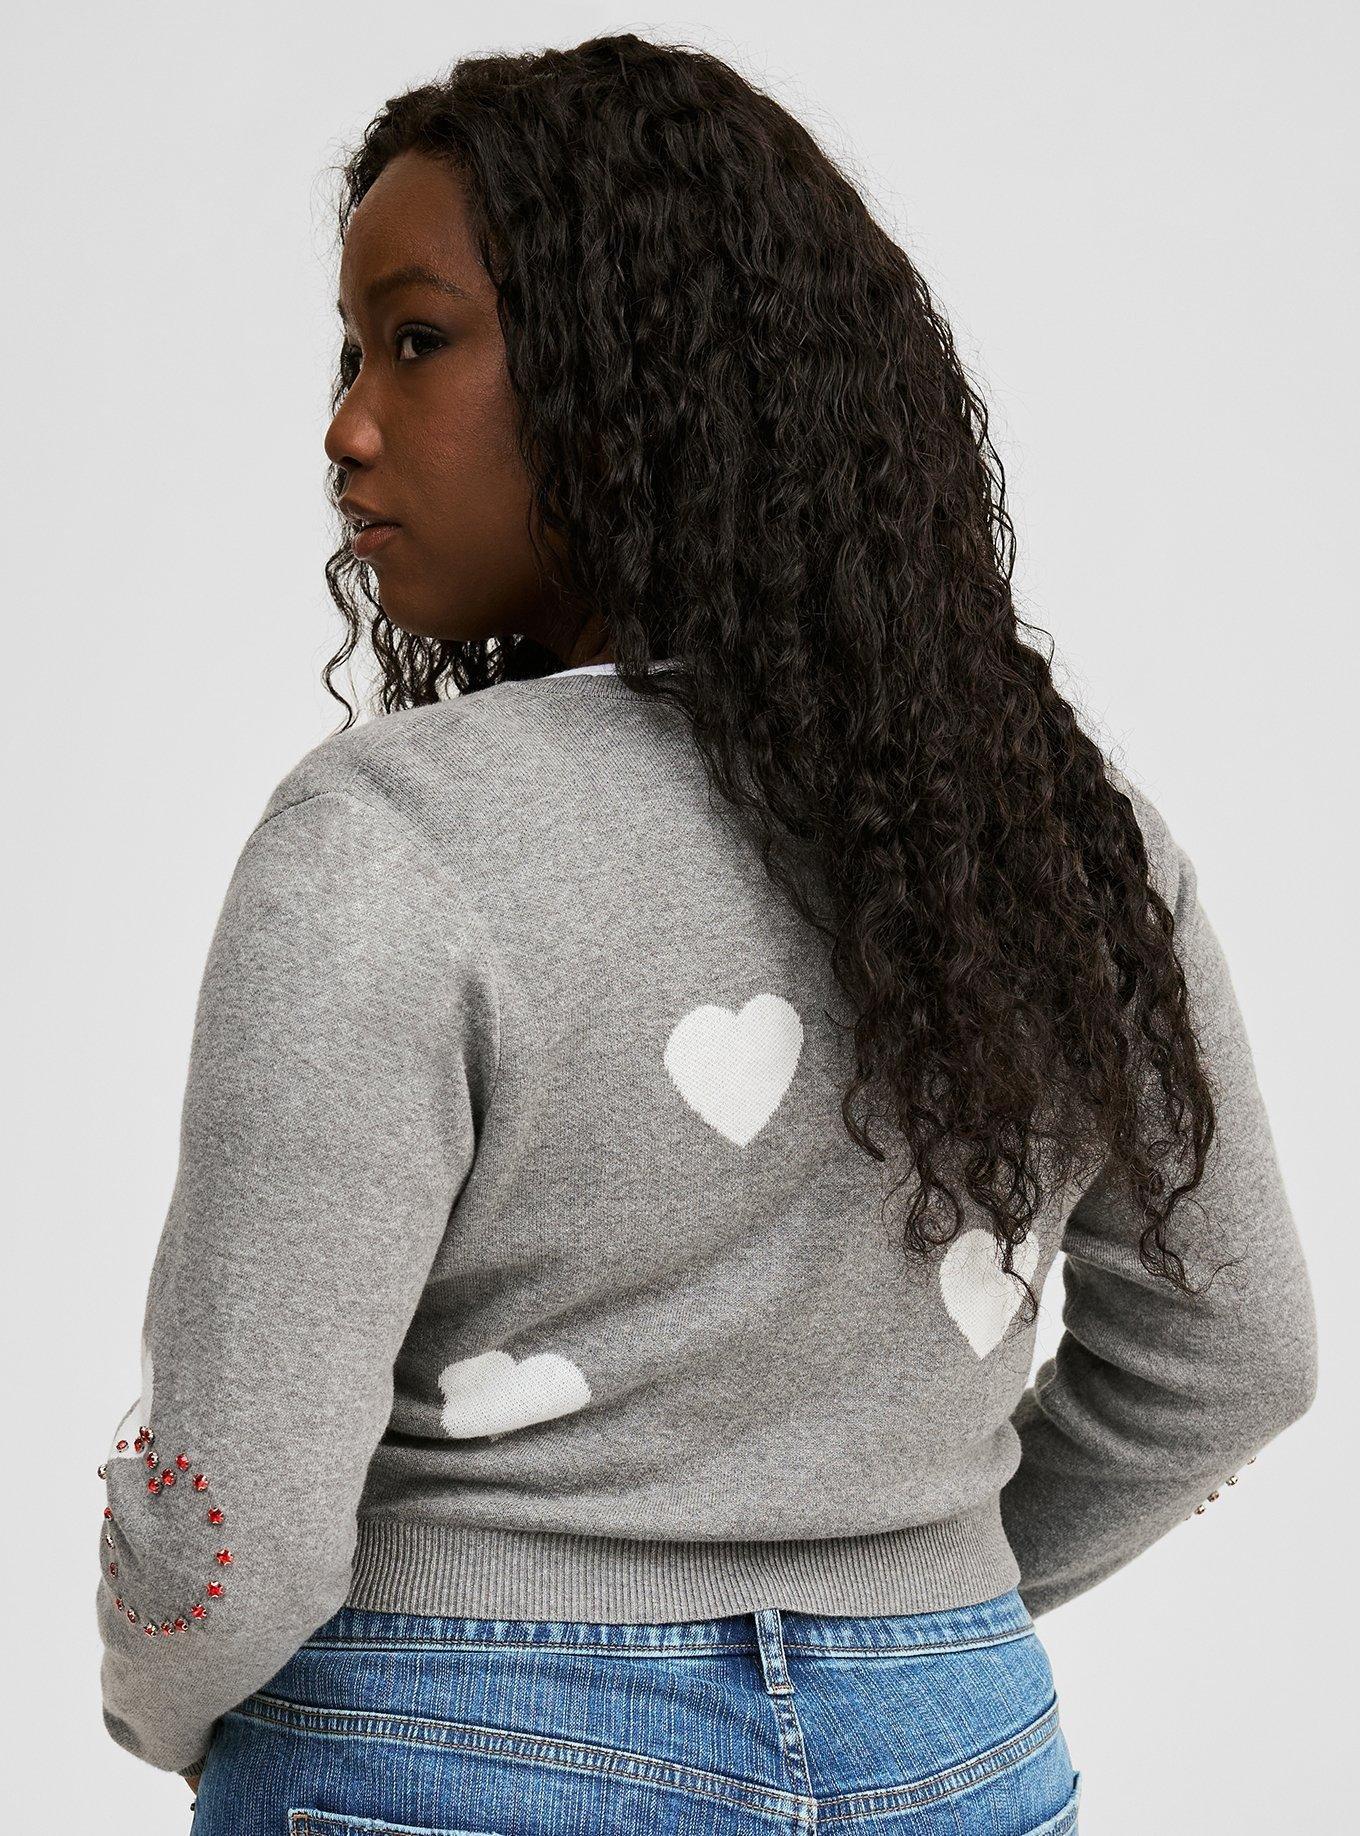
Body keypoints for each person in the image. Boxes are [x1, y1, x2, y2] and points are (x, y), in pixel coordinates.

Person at [93, 34, 1317, 1835]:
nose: (348, 425)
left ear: (628, 369)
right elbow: (1236, 1354)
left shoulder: (386, 839)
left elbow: (238, 1523)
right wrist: (912, 1604)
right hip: (957, 1755)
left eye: (415, 342)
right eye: (351, 355)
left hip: (446, 1744)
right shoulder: (1045, 829)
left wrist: (162, 1700)